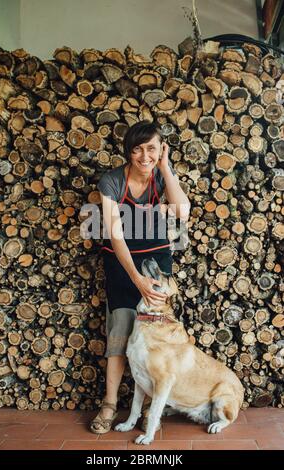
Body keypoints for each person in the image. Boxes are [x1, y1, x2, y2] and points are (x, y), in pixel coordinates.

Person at [88, 120, 190, 434]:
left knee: (155, 336)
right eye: (137, 149)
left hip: (158, 261)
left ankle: (146, 407)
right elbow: (115, 235)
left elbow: (182, 212)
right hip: (123, 265)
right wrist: (135, 279)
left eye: (151, 148)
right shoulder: (112, 182)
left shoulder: (161, 175)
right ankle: (109, 404)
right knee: (120, 333)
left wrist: (167, 166)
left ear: (160, 150)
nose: (144, 156)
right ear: (128, 151)